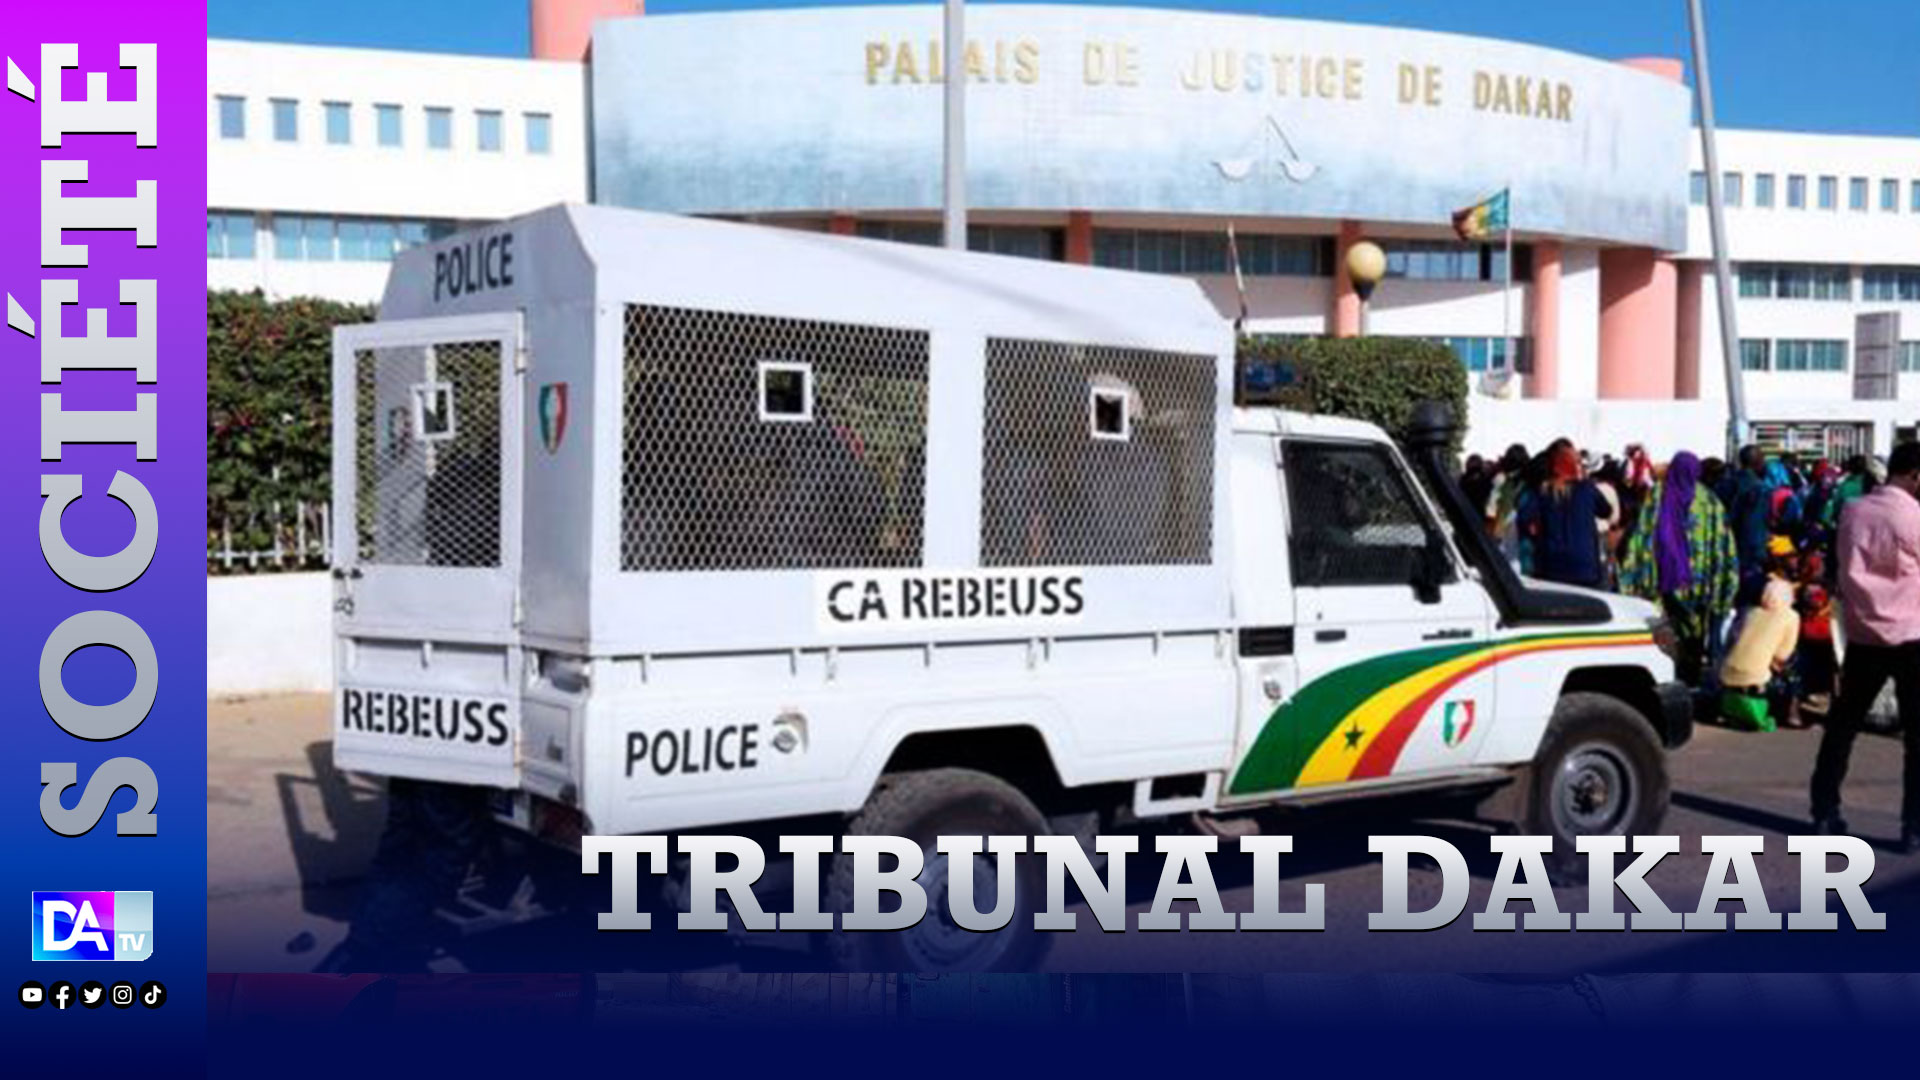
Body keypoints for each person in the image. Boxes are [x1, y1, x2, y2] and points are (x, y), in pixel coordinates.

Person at [1808, 441, 1920, 848]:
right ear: (1916, 477)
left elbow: (1841, 566)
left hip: (1863, 632)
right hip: (1911, 632)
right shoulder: (1914, 517)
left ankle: (1824, 810)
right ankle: (1913, 826)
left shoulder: (1853, 511)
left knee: (1842, 726)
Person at [1619, 451, 1741, 686]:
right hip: (1699, 580)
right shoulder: (1709, 500)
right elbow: (1723, 542)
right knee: (1694, 631)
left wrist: (1635, 568)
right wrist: (1723, 580)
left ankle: (1666, 673)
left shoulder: (1657, 494)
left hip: (1663, 576)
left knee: (1664, 628)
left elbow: (1643, 531)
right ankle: (1690, 676)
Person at [1718, 570, 1800, 732]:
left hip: (1727, 672)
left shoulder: (1752, 612)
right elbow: (1783, 655)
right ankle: (1790, 714)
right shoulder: (1791, 616)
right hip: (1756, 678)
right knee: (1796, 669)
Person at [1518, 444, 1608, 589]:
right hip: (1586, 567)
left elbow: (1524, 518)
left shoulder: (1543, 490)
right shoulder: (1587, 488)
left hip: (1551, 567)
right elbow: (1606, 511)